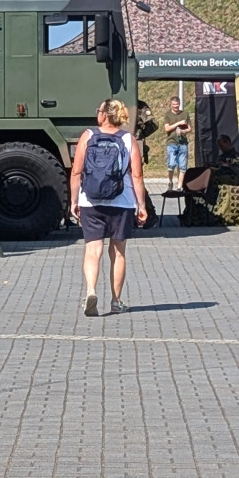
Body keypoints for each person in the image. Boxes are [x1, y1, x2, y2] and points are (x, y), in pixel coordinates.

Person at [69, 98, 148, 316]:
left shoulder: (88, 136)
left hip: (90, 202)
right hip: (121, 203)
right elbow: (137, 175)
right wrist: (141, 205)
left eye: (99, 110)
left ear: (104, 115)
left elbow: (76, 172)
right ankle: (116, 301)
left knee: (93, 250)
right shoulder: (127, 139)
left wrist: (74, 200)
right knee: (118, 253)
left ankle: (91, 291)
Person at [163, 95, 192, 193]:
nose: (176, 106)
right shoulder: (168, 115)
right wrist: (178, 124)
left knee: (183, 166)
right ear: (171, 105)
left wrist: (183, 131)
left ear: (179, 104)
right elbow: (167, 128)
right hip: (172, 143)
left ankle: (179, 186)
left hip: (183, 143)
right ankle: (170, 182)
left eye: (177, 104)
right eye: (174, 104)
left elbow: (189, 128)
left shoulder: (185, 114)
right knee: (171, 164)